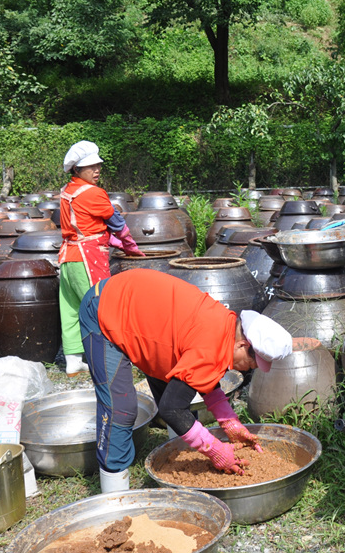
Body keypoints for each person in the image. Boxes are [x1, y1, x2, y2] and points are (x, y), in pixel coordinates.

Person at [79, 268, 294, 493]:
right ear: (242, 345)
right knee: (121, 409)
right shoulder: (210, 343)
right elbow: (172, 408)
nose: (250, 369)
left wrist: (229, 421)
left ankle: (179, 457)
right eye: (251, 364)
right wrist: (215, 450)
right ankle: (114, 496)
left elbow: (202, 375)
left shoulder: (226, 327)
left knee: (176, 385)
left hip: (140, 310)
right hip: (105, 307)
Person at [58, 141, 144, 377]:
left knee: (71, 307)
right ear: (77, 169)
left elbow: (87, 226)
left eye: (98, 165)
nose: (96, 170)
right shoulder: (93, 193)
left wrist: (114, 242)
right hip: (87, 258)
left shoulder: (67, 191)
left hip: (68, 257)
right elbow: (116, 222)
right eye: (90, 167)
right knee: (100, 306)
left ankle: (73, 360)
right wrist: (129, 244)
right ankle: (107, 360)